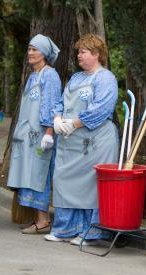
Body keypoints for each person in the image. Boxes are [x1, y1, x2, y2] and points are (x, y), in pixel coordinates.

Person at [44, 34, 119, 245]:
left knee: (89, 186)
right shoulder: (76, 78)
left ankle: (90, 232)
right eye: (79, 52)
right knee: (64, 180)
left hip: (95, 141)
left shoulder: (105, 78)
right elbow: (60, 102)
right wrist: (58, 118)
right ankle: (65, 229)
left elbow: (102, 109)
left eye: (83, 52)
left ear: (96, 54)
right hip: (70, 141)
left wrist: (74, 123)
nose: (79, 55)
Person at [7, 34, 61, 234]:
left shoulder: (50, 75)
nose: (30, 53)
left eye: (34, 49)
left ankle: (43, 219)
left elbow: (53, 105)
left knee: (39, 174)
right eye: (29, 49)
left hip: (41, 136)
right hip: (26, 136)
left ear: (44, 54)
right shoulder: (31, 77)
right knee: (29, 173)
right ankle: (35, 217)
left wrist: (49, 132)